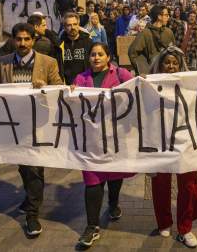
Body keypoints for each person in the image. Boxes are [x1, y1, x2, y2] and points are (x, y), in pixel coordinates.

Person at [0, 23, 62, 237]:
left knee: (35, 168)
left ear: (33, 40)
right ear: (13, 41)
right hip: (13, 126)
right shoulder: (5, 62)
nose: (23, 43)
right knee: (22, 166)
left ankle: (32, 215)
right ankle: (30, 197)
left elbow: (60, 88)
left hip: (38, 125)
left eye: (27, 39)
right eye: (19, 39)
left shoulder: (48, 62)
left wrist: (45, 87)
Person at [71, 43, 135, 247]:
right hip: (90, 141)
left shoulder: (121, 74)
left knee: (114, 177)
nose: (96, 57)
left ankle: (114, 203)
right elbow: (71, 105)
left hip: (116, 138)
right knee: (92, 182)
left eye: (100, 54)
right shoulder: (81, 79)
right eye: (92, 54)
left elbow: (136, 90)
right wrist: (70, 92)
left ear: (108, 57)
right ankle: (92, 227)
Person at [148, 46, 197, 248]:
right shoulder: (150, 86)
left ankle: (185, 228)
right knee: (160, 184)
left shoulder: (190, 86)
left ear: (180, 65)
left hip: (185, 142)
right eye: (167, 63)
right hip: (159, 142)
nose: (170, 66)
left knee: (188, 185)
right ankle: (164, 222)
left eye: (174, 63)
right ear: (160, 65)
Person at [128, 5, 175, 75]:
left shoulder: (169, 32)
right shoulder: (145, 33)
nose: (168, 17)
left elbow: (173, 52)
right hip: (151, 74)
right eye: (166, 15)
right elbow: (132, 52)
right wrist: (142, 70)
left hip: (167, 73)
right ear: (159, 16)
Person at [60, 12, 93, 84]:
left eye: (75, 24)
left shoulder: (88, 42)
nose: (73, 27)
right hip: (66, 84)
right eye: (69, 25)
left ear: (78, 25)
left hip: (84, 84)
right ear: (65, 27)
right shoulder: (60, 44)